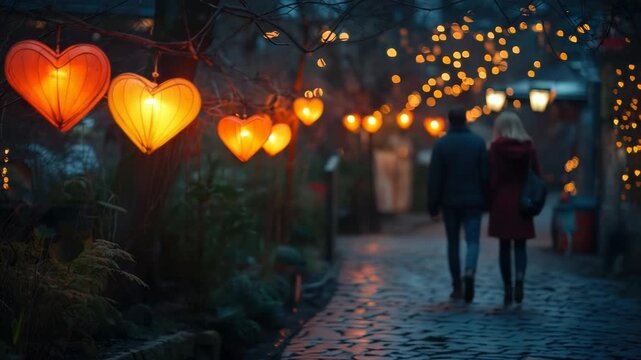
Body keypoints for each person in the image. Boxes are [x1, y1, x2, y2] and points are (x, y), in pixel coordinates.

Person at [428, 107, 488, 303]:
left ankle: (457, 285)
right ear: (466, 120)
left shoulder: (441, 145)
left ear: (449, 121)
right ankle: (470, 270)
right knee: (472, 241)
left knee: (452, 243)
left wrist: (433, 206)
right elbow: (485, 175)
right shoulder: (478, 143)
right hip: (474, 201)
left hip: (450, 202)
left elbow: (435, 178)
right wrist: (487, 200)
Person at [488, 111, 541, 305]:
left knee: (504, 246)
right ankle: (520, 279)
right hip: (523, 201)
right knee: (520, 245)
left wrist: (490, 199)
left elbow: (492, 177)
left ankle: (507, 288)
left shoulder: (495, 148)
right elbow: (537, 174)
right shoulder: (529, 147)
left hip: (502, 200)